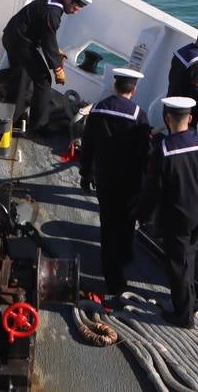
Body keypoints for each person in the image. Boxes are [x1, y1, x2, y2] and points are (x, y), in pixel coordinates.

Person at [137, 96, 198, 328]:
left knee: (179, 264)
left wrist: (141, 215)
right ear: (191, 118)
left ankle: (183, 315)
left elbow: (153, 190)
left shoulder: (162, 151)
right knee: (192, 255)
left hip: (179, 217)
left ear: (167, 119)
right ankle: (191, 297)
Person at [78, 67, 153, 296]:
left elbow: (88, 144)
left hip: (106, 177)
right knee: (127, 219)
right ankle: (124, 258)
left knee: (109, 223)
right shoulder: (138, 115)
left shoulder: (99, 109)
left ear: (115, 85)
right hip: (131, 180)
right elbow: (145, 153)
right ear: (134, 89)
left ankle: (110, 265)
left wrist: (86, 173)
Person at [1, 0, 91, 134]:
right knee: (43, 81)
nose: (75, 12)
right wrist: (57, 68)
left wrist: (56, 51)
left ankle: (13, 116)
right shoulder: (53, 13)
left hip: (13, 36)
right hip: (21, 43)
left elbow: (45, 33)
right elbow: (48, 39)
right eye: (75, 8)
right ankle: (39, 126)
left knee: (21, 78)